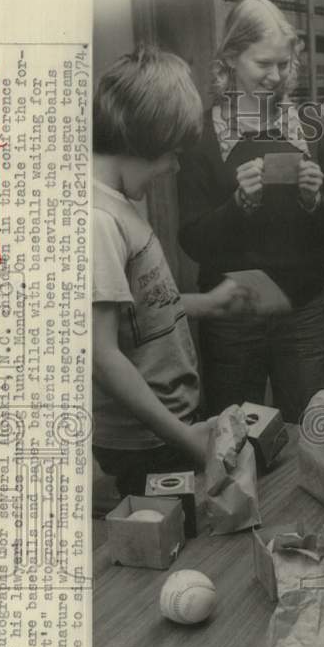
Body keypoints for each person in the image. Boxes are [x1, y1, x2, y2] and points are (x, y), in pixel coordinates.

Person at [92, 46, 252, 498]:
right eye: (171, 154)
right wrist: (184, 439)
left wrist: (207, 303)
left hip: (165, 426)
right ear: (141, 140)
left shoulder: (120, 207)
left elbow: (137, 310)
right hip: (146, 439)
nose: (175, 167)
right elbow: (102, 356)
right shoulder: (98, 220)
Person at [177, 0, 324, 423]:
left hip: (302, 306)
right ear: (231, 57)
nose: (276, 77)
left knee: (312, 428)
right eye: (262, 64)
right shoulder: (201, 135)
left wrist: (313, 202)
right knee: (235, 435)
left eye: (284, 65)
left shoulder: (309, 126)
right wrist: (238, 206)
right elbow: (192, 239)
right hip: (232, 315)